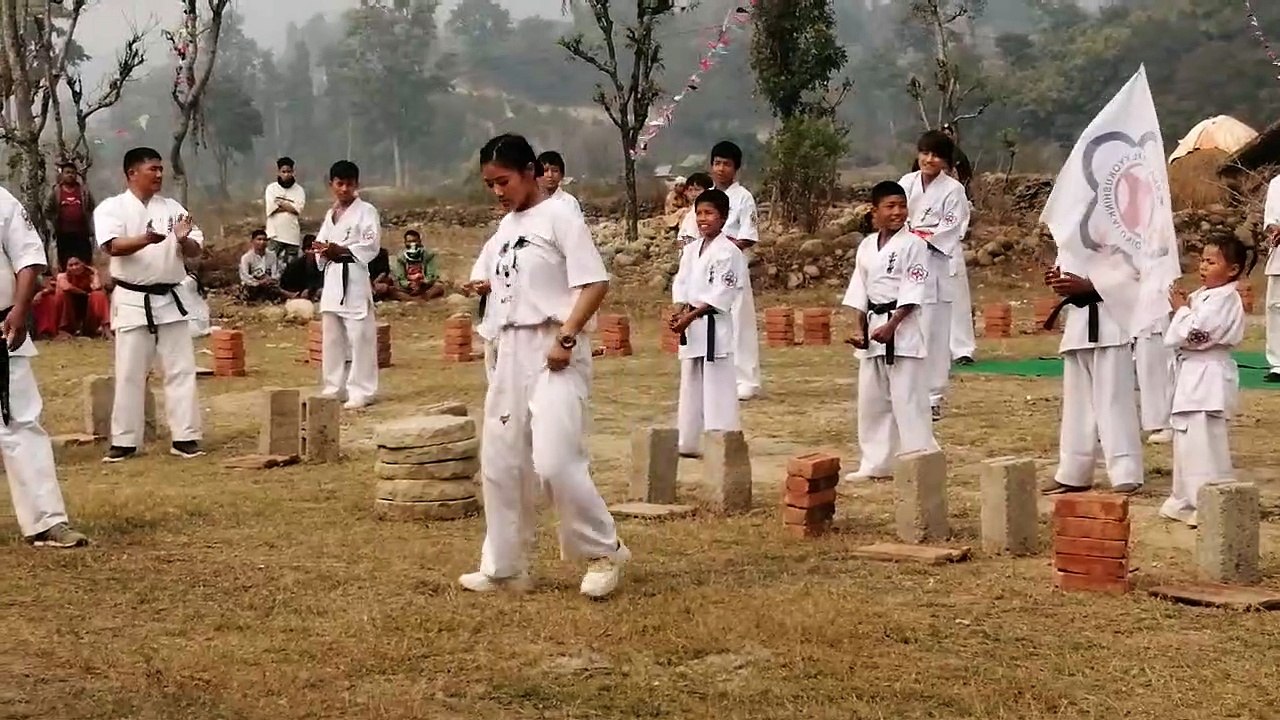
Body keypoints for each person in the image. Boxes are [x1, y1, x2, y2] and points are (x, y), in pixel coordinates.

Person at [459, 133, 629, 599]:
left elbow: (594, 283)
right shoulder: (505, 229)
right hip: (510, 348)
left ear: (530, 171)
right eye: (490, 184)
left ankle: (602, 550)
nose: (498, 192)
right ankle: (504, 567)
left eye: (504, 181)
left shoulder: (560, 215)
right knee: (501, 460)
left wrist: (568, 335)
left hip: (554, 347)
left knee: (555, 459)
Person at [94, 147, 205, 463]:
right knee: (130, 372)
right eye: (152, 169)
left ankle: (185, 436)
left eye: (161, 169)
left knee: (181, 370)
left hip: (170, 297)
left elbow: (195, 250)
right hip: (131, 298)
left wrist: (182, 240)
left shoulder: (173, 208)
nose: (159, 174)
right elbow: (111, 246)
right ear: (132, 173)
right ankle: (126, 440)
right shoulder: (111, 208)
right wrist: (148, 238)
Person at [0, 184, 90, 548]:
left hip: (1, 325)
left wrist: (20, 311)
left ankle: (46, 520)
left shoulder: (1, 200)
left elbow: (28, 257)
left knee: (21, 422)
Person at [841, 181, 938, 481]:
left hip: (902, 328)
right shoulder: (867, 246)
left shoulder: (915, 244)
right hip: (873, 329)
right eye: (890, 206)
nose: (898, 212)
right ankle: (875, 463)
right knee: (872, 402)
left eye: (902, 205)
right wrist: (859, 329)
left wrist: (892, 325)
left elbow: (913, 291)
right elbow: (860, 292)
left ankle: (920, 460)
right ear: (875, 212)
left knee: (908, 400)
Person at [1159, 239, 1250, 527]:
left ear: (1232, 270)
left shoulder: (1226, 298)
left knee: (1204, 441)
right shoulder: (1204, 295)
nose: (1204, 266)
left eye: (1212, 262)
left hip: (1208, 373)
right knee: (1186, 438)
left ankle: (1209, 502)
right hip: (1191, 373)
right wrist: (1183, 307)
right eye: (1202, 260)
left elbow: (1199, 334)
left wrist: (1182, 311)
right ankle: (1183, 498)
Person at [1039, 257, 1143, 495]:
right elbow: (1067, 274)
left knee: (1114, 402)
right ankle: (1073, 471)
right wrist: (1057, 279)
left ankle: (1126, 471)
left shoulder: (1121, 232)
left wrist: (1092, 286)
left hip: (1112, 323)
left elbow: (1136, 275)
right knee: (1077, 406)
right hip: (1079, 325)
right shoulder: (1071, 235)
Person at [669, 188, 747, 457]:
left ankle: (722, 442)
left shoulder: (730, 252)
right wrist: (678, 309)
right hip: (692, 326)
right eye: (699, 213)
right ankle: (688, 442)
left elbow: (721, 295)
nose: (703, 219)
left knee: (717, 386)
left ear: (723, 218)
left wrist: (689, 316)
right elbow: (681, 282)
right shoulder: (691, 250)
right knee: (690, 383)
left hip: (713, 324)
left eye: (709, 213)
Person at [899, 130, 971, 420]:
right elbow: (894, 217)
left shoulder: (954, 190)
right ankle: (907, 394)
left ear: (946, 160)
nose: (929, 159)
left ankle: (933, 397)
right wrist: (907, 237)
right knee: (907, 329)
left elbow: (951, 229)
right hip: (907, 263)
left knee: (935, 333)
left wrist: (920, 236)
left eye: (936, 155)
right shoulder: (906, 183)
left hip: (936, 265)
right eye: (925, 153)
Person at [315, 160, 381, 410]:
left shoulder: (366, 211)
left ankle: (362, 390)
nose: (344, 189)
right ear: (331, 185)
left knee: (360, 337)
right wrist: (323, 251)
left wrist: (341, 250)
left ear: (357, 185)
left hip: (353, 277)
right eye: (339, 184)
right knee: (332, 339)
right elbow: (320, 243)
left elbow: (370, 245)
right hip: (332, 280)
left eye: (349, 184)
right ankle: (334, 387)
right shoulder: (330, 214)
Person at [709, 141, 762, 401]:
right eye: (717, 163)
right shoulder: (706, 198)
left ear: (736, 168)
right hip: (708, 268)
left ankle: (746, 379)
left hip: (734, 266)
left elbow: (748, 237)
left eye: (726, 164)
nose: (721, 169)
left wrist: (724, 247)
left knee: (740, 322)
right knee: (713, 321)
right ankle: (720, 376)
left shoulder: (743, 198)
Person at [44, 161, 96, 270]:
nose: (70, 175)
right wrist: (54, 222)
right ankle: (66, 285)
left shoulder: (84, 191)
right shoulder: (55, 191)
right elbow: (47, 210)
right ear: (62, 175)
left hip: (82, 233)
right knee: (65, 263)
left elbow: (92, 206)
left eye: (73, 173)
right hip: (63, 234)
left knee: (85, 262)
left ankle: (86, 285)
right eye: (67, 172)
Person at [1134, 314, 1174, 445]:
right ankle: (1131, 423)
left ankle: (1162, 423)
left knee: (1154, 375)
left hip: (1151, 328)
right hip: (1128, 327)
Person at [53, 256, 110, 338]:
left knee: (98, 294)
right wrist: (85, 293)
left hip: (88, 315)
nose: (74, 267)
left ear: (83, 264)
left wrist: (95, 273)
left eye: (77, 264)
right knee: (61, 294)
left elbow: (97, 287)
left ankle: (105, 328)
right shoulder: (62, 276)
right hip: (71, 314)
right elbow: (66, 287)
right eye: (71, 265)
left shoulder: (90, 275)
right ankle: (63, 330)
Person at [265, 157, 306, 265]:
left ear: (293, 172)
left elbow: (298, 210)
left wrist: (281, 204)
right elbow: (271, 208)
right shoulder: (271, 189)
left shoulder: (299, 190)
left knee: (291, 266)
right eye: (283, 172)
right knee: (270, 264)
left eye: (289, 172)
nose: (286, 174)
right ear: (278, 172)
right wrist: (290, 207)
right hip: (275, 234)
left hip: (292, 234)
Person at [390, 229, 444, 300]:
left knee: (438, 286)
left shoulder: (428, 255)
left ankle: (416, 298)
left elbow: (431, 275)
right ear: (405, 243)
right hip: (408, 287)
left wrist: (422, 283)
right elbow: (401, 278)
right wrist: (409, 284)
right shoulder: (401, 257)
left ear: (419, 242)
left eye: (414, 241)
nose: (413, 244)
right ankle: (419, 298)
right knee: (391, 289)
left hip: (424, 286)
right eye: (409, 241)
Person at [1263, 175, 1280, 382]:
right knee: (1276, 308)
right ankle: (1278, 363)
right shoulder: (1277, 183)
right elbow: (1271, 220)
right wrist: (1274, 230)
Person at [238, 228, 283, 303]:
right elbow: (244, 277)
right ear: (252, 241)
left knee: (274, 288)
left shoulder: (272, 256)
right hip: (253, 285)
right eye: (259, 239)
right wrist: (259, 282)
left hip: (268, 284)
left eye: (264, 240)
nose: (262, 242)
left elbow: (276, 273)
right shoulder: (246, 258)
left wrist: (270, 280)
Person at [537, 150, 583, 218]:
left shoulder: (569, 202)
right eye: (545, 170)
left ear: (562, 174)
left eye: (555, 171)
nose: (550, 175)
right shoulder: (531, 203)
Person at [280, 234, 323, 301]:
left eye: (314, 249)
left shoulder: (322, 264)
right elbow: (287, 284)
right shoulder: (295, 265)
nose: (312, 252)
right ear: (304, 250)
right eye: (309, 249)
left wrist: (312, 289)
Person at [676, 173, 714, 246]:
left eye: (697, 190)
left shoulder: (711, 212)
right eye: (690, 190)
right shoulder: (690, 213)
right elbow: (681, 237)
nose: (693, 194)